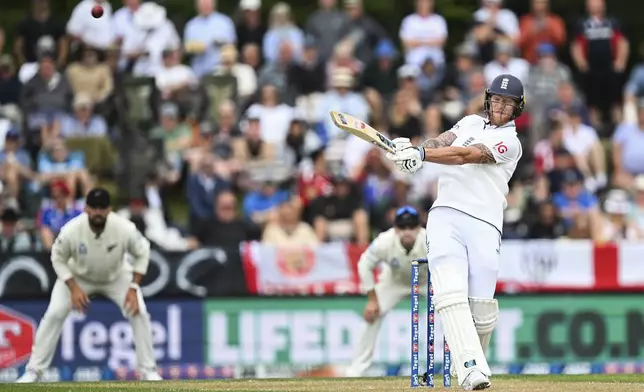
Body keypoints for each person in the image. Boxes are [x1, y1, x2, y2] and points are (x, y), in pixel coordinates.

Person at [385, 73, 525, 390]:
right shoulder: (468, 123)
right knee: (448, 292)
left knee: (481, 310)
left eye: (509, 102)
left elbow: (465, 156)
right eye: (498, 99)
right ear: (489, 99)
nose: (501, 106)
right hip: (445, 214)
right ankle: (471, 371)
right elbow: (444, 142)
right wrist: (414, 150)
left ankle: (476, 372)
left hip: (486, 224)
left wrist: (421, 155)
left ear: (518, 108)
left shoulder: (511, 143)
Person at [16, 188, 162, 383]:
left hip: (116, 276)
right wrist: (73, 287)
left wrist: (134, 287)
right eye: (94, 208)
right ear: (85, 208)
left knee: (140, 313)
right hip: (78, 277)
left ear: (109, 209)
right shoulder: (72, 229)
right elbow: (57, 257)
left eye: (102, 208)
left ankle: (148, 371)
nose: (98, 212)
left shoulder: (124, 227)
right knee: (54, 314)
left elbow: (143, 251)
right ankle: (34, 371)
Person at [345, 206, 427, 377]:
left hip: (426, 281)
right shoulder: (385, 240)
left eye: (411, 227)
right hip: (394, 281)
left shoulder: (429, 239)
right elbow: (364, 264)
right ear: (395, 228)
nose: (407, 232)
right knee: (371, 315)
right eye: (402, 227)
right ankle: (357, 369)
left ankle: (461, 366)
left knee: (451, 311)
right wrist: (372, 300)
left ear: (418, 228)